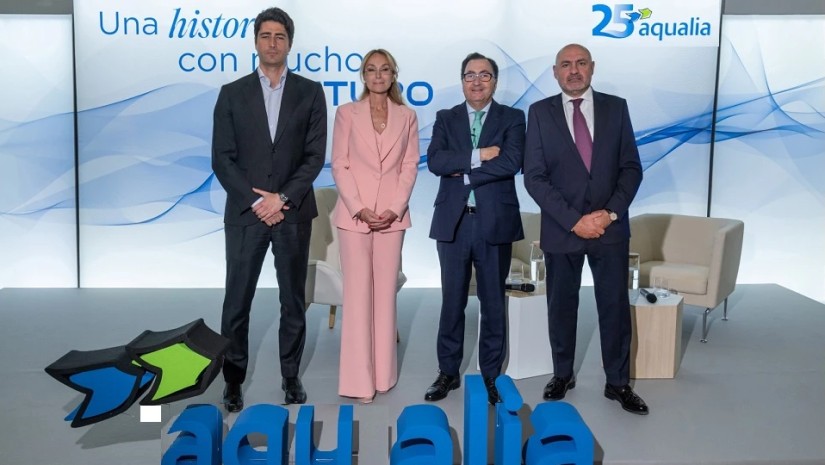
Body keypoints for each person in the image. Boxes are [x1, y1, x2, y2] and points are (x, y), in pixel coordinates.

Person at [211, 7, 327, 411]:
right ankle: (233, 380)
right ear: (256, 41)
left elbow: (314, 156)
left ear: (289, 43)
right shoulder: (232, 93)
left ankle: (291, 376)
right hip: (246, 215)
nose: (272, 43)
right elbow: (222, 158)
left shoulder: (310, 92)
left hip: (293, 213)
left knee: (293, 300)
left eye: (280, 36)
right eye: (266, 35)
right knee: (237, 302)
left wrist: (283, 198)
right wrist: (258, 201)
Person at [523, 43, 648, 415]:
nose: (573, 70)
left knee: (614, 307)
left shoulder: (616, 108)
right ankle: (563, 374)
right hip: (563, 230)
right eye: (566, 64)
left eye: (580, 63)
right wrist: (575, 221)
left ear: (592, 68)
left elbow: (631, 168)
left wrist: (609, 214)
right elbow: (534, 177)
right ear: (555, 72)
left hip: (610, 229)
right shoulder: (539, 113)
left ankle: (618, 382)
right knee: (561, 307)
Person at [425, 52, 526, 406]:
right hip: (453, 222)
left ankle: (491, 376)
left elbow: (511, 162)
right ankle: (447, 372)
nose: (477, 81)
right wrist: (480, 156)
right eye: (470, 75)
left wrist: (464, 174)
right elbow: (436, 161)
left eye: (485, 75)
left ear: (495, 81)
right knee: (451, 301)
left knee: (493, 303)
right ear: (462, 81)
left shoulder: (513, 117)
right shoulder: (446, 117)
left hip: (494, 221)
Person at [331, 49, 419, 403]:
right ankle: (358, 383)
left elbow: (409, 165)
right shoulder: (346, 113)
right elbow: (339, 164)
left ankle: (384, 377)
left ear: (393, 74)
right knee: (357, 298)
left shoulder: (407, 116)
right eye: (371, 70)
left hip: (392, 219)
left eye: (384, 70)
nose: (378, 75)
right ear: (363, 76)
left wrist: (395, 208)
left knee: (384, 297)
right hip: (355, 217)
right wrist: (359, 208)